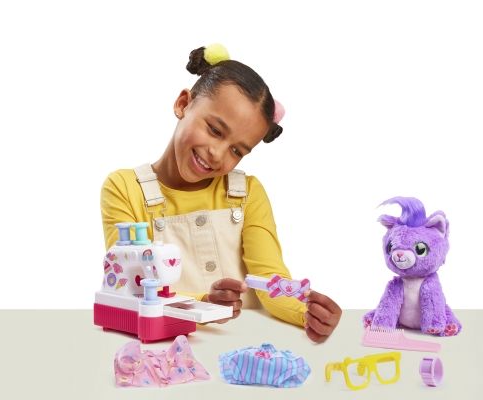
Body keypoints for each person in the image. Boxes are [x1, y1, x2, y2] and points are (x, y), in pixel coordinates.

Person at [100, 44, 341, 343]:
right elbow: (130, 288)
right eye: (215, 130)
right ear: (183, 104)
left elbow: (270, 281)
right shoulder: (124, 188)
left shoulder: (248, 193)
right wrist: (203, 303)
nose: (217, 154)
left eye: (237, 150)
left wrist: (307, 312)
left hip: (241, 345)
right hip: (162, 346)